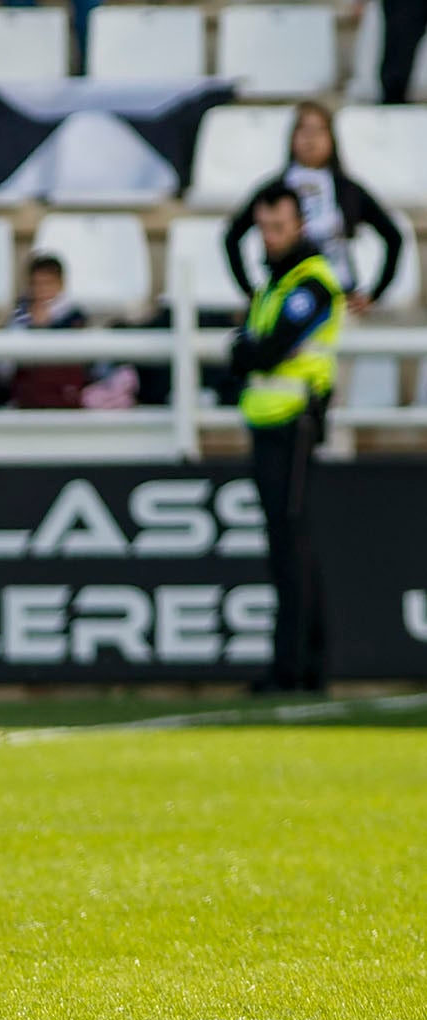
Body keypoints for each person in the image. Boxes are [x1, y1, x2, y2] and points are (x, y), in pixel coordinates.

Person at [229, 184, 342, 695]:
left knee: (290, 548)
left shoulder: (312, 283)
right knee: (286, 546)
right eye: (264, 228)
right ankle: (304, 665)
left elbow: (266, 351)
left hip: (294, 422)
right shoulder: (275, 283)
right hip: (268, 422)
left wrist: (247, 349)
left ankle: (294, 668)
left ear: (300, 225)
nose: (270, 237)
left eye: (279, 226)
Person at [224, 102, 403, 318]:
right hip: (285, 296)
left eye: (319, 130)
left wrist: (374, 294)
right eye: (303, 130)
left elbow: (393, 236)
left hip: (337, 297)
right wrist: (250, 291)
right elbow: (232, 235)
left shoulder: (347, 189)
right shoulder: (275, 190)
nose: (310, 139)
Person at [0, 251, 90, 410]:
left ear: (60, 284)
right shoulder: (21, 313)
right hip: (14, 378)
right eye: (36, 284)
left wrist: (42, 326)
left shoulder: (73, 317)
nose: (41, 290)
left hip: (54, 384)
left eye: (47, 284)